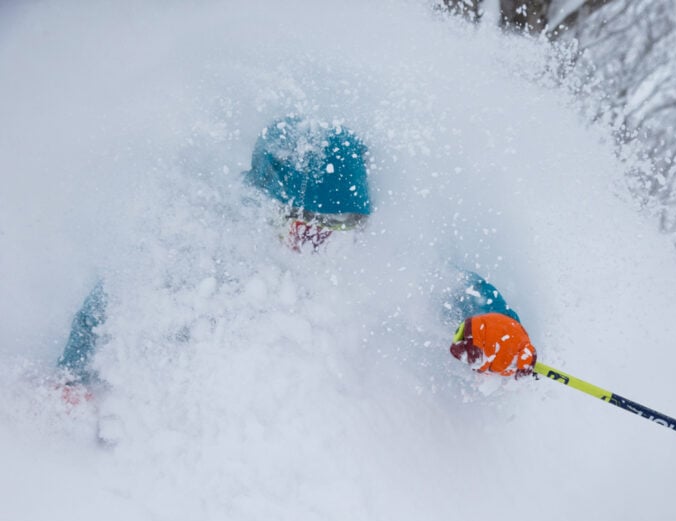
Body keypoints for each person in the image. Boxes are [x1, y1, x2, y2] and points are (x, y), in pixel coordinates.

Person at [55, 116, 536, 400]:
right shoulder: (207, 243)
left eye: (340, 226)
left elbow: (450, 287)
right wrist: (75, 377)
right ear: (266, 204)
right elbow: (112, 302)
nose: (319, 243)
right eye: (305, 224)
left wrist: (495, 322)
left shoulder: (370, 263)